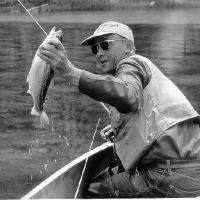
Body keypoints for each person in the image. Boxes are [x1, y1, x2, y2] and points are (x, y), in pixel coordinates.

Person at [37, 21, 200, 198]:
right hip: (187, 172)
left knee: (94, 190)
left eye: (105, 45)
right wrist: (122, 130)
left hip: (168, 175)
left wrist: (70, 72)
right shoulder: (132, 75)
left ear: (128, 45)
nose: (99, 53)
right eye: (95, 49)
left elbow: (128, 96)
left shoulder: (132, 64)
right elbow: (143, 110)